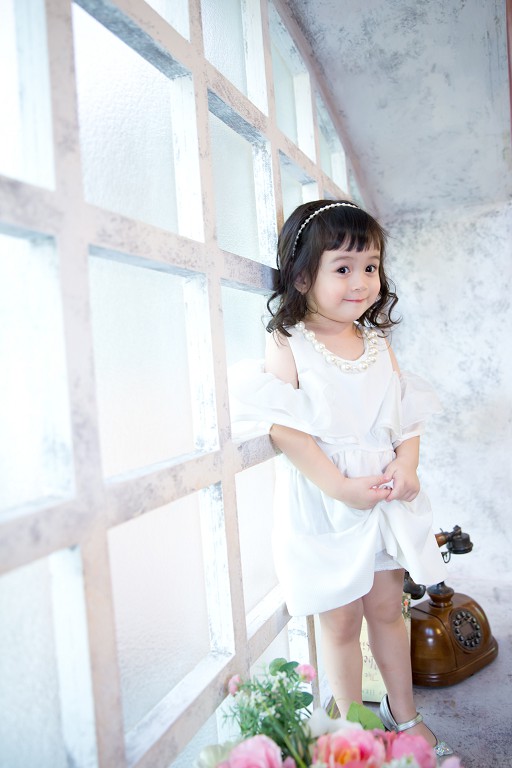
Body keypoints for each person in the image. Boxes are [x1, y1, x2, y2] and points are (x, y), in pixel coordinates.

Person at [229, 199, 453, 758]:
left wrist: (406, 464)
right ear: (303, 276)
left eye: (370, 266)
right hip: (328, 501)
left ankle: (404, 714)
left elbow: (406, 417)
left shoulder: (377, 344)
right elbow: (286, 431)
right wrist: (339, 487)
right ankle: (351, 728)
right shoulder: (290, 342)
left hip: (382, 496)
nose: (361, 281)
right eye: (343, 268)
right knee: (340, 619)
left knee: (388, 610)